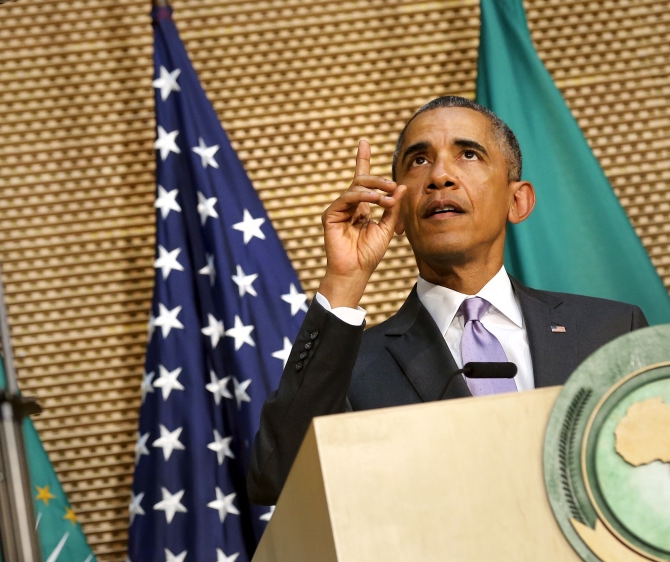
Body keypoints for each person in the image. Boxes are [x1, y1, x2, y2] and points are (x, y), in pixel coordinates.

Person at [247, 96, 648, 505]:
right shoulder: (353, 368)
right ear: (397, 213)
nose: (440, 176)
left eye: (469, 154)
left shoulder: (612, 331)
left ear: (518, 201)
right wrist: (344, 280)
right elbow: (279, 477)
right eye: (419, 161)